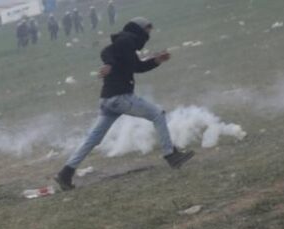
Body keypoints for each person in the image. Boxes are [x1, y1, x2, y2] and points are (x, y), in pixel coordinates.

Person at [56, 17, 195, 190]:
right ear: (140, 29)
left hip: (108, 99)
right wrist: (109, 64)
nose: (149, 34)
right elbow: (107, 51)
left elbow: (136, 67)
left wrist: (157, 60)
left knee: (93, 139)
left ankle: (65, 173)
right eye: (148, 30)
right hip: (119, 97)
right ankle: (171, 155)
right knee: (158, 114)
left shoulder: (127, 43)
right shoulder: (127, 40)